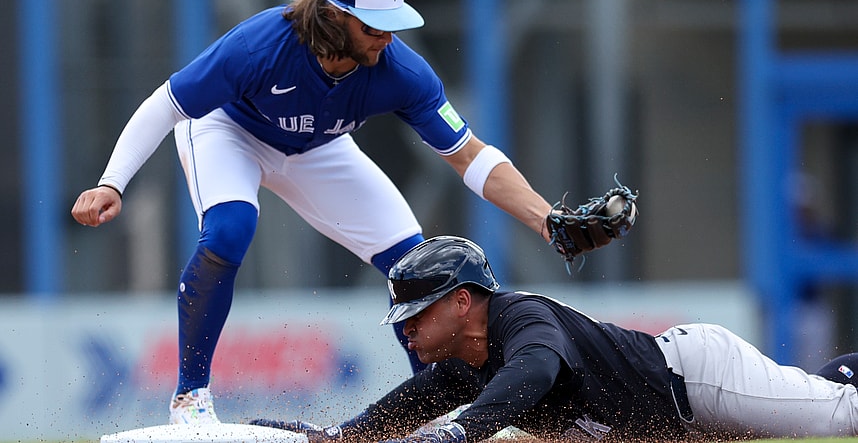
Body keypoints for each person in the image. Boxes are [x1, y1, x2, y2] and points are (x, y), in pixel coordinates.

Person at [70, 0, 554, 426]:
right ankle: (190, 397)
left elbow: (470, 155)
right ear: (334, 14)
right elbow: (166, 104)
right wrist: (112, 181)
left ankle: (433, 409)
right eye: (372, 26)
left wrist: (547, 220)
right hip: (227, 131)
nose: (386, 38)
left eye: (393, 24)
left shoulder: (400, 71)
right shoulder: (260, 46)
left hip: (317, 147)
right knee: (230, 230)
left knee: (415, 265)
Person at [251, 235, 858, 442]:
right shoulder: (467, 360)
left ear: (463, 301)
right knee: (820, 394)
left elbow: (536, 372)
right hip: (674, 425)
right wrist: (341, 436)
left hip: (697, 381)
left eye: (418, 311)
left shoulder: (523, 319)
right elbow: (409, 407)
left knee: (838, 418)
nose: (407, 328)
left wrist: (462, 431)